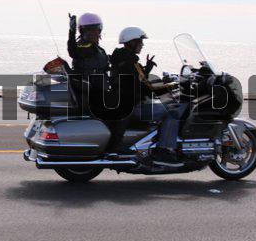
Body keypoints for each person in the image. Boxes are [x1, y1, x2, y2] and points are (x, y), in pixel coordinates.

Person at [108, 27, 185, 162]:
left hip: (129, 103)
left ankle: (157, 140)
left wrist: (148, 69)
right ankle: (164, 150)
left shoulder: (126, 59)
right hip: (132, 106)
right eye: (140, 42)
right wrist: (167, 88)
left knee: (166, 105)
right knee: (173, 112)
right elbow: (140, 86)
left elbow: (139, 81)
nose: (142, 45)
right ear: (131, 42)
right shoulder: (128, 62)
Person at [67, 12, 110, 117]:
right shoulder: (84, 46)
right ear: (82, 31)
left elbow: (105, 67)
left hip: (101, 90)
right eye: (90, 30)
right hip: (89, 93)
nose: (94, 33)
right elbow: (74, 52)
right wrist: (71, 33)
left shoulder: (99, 50)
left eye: (96, 30)